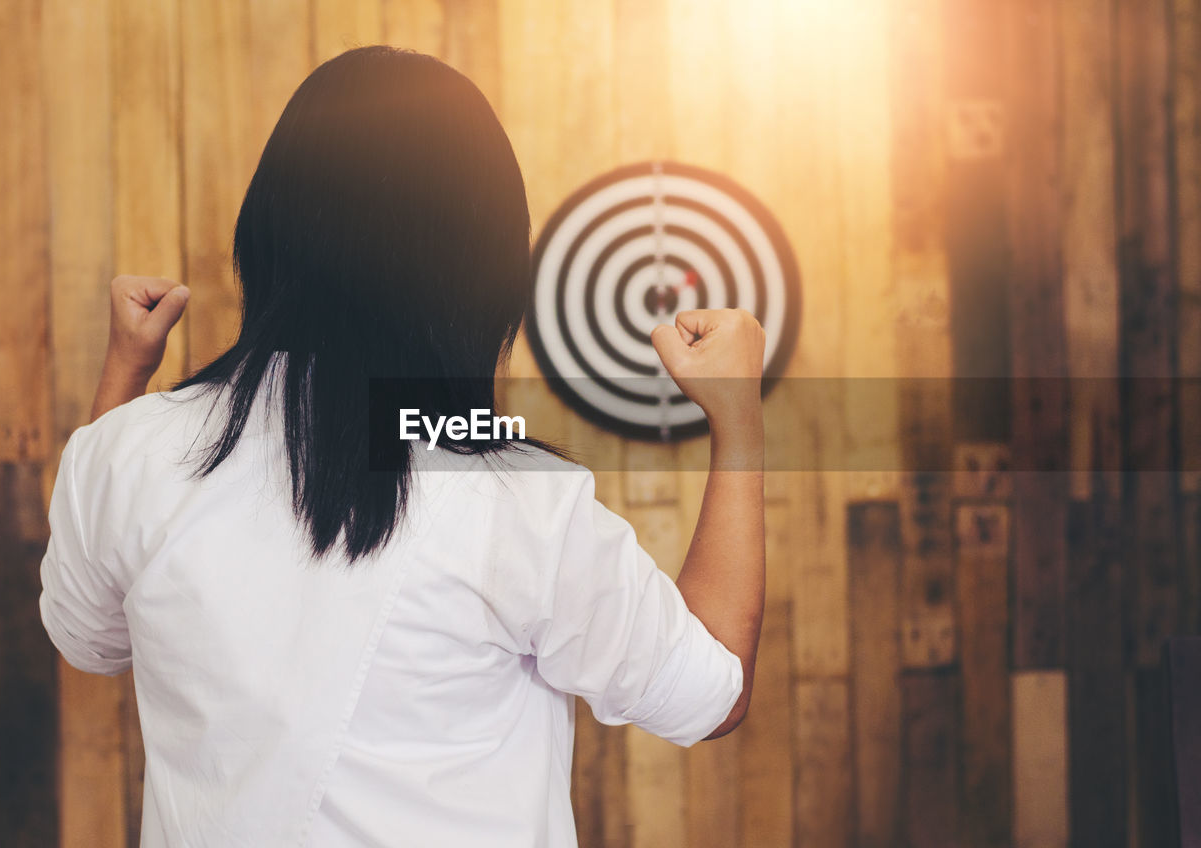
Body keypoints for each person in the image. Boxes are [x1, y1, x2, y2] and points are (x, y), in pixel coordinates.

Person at [40, 45, 766, 847]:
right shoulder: (513, 496)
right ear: (481, 271)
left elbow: (88, 637)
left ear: (272, 233)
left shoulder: (127, 453)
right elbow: (711, 694)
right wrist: (736, 417)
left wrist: (124, 375)